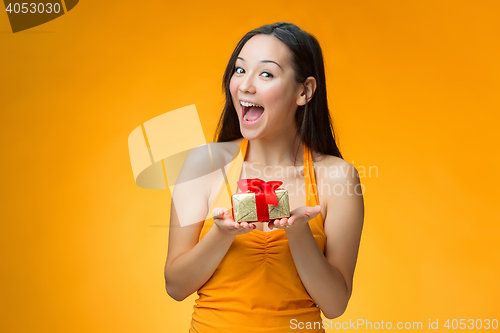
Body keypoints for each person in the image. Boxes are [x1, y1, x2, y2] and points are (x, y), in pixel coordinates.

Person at [164, 22, 364, 332]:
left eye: (266, 74)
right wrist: (223, 233)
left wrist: (298, 232)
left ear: (304, 91)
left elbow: (335, 305)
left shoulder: (338, 176)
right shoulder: (203, 164)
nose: (245, 85)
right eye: (240, 70)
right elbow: (175, 286)